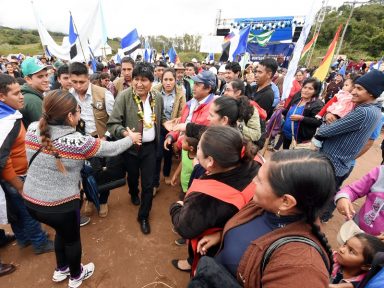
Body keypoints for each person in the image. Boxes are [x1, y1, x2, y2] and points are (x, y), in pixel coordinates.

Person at [22, 90, 141, 287]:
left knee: (62, 233)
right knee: (72, 240)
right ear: (70, 116)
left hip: (32, 202)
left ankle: (61, 269)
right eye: (78, 110)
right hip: (61, 206)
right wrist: (131, 138)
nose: (80, 114)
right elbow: (112, 149)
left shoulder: (33, 128)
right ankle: (76, 275)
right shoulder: (79, 142)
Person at [190, 150, 335, 288]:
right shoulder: (266, 206)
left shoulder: (302, 268)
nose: (253, 181)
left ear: (286, 202)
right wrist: (224, 234)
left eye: (259, 180)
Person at [170, 126, 260, 273]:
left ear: (210, 161)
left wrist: (176, 208)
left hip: (212, 251)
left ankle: (193, 264)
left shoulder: (206, 197)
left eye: (199, 148)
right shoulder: (254, 164)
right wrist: (223, 232)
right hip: (234, 237)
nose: (197, 151)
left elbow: (184, 227)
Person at [315, 70, 384, 222]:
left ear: (372, 93)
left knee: (316, 198)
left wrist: (327, 122)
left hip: (332, 163)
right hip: (341, 163)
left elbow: (326, 131)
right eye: (354, 87)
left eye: (359, 89)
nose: (353, 91)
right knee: (325, 195)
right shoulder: (374, 112)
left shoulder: (364, 112)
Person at [107, 62, 165, 234]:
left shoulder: (157, 98)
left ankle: (144, 216)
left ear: (152, 82)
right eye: (136, 79)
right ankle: (133, 192)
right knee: (132, 177)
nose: (139, 84)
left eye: (144, 80)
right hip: (130, 149)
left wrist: (169, 125)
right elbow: (113, 123)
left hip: (150, 149)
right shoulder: (124, 97)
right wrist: (126, 134)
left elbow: (159, 118)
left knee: (148, 184)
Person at [0, 74, 53, 255]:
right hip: (16, 176)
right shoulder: (6, 123)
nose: (21, 96)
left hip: (14, 175)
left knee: (15, 210)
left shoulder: (8, 113)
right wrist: (19, 185)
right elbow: (3, 160)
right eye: (16, 94)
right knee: (29, 211)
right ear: (2, 97)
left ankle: (23, 238)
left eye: (21, 92)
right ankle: (40, 243)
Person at [69, 62, 115, 219]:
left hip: (99, 141)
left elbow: (114, 119)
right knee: (83, 173)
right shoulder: (69, 95)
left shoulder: (103, 94)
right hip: (79, 143)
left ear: (88, 78)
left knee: (102, 173)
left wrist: (105, 137)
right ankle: (89, 198)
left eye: (81, 82)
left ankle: (103, 201)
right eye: (74, 82)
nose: (78, 86)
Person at [152, 68, 185, 194]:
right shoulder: (154, 91)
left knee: (168, 153)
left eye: (171, 79)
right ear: (161, 80)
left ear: (175, 80)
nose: (168, 82)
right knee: (158, 154)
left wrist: (177, 120)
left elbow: (183, 112)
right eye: (165, 79)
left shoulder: (180, 93)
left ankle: (166, 174)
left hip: (172, 128)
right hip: (158, 126)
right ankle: (155, 183)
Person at [335, 164, 384, 239]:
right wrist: (343, 197)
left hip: (379, 247)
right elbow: (353, 190)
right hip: (355, 230)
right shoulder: (380, 173)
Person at [280, 77, 323, 149]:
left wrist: (302, 118)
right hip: (287, 134)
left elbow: (318, 122)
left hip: (300, 140)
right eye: (305, 87)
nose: (306, 90)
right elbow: (289, 113)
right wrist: (282, 110)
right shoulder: (297, 99)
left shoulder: (318, 105)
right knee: (284, 155)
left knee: (294, 159)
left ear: (315, 91)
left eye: (310, 88)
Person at [19, 57, 50, 128]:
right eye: (40, 76)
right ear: (28, 79)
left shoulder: (30, 95)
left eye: (46, 75)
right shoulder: (33, 100)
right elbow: (45, 129)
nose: (46, 80)